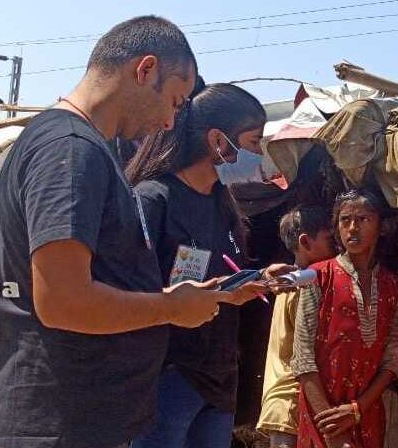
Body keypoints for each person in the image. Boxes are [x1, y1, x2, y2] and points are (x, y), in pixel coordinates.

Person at [0, 16, 267, 448]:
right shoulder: (71, 151)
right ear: (145, 70)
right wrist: (170, 309)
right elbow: (63, 301)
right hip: (58, 426)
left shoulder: (75, 148)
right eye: (173, 100)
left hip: (73, 421)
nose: (171, 122)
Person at [126, 82, 290, 447]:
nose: (259, 152)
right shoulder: (153, 200)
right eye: (253, 141)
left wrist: (257, 279)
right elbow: (128, 294)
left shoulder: (222, 203)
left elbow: (217, 282)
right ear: (218, 140)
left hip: (218, 380)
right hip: (167, 378)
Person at [292, 189, 398, 448]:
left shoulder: (395, 288)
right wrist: (331, 427)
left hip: (366, 414)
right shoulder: (317, 277)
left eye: (363, 219)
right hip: (321, 415)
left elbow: (390, 362)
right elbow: (303, 358)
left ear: (381, 228)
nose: (352, 228)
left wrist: (356, 410)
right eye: (345, 220)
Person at [258, 205, 339, 448]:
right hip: (290, 400)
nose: (337, 246)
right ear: (305, 242)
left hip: (282, 402)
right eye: (329, 239)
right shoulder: (302, 287)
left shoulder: (288, 282)